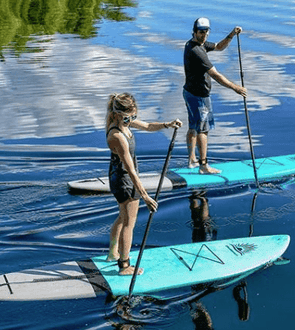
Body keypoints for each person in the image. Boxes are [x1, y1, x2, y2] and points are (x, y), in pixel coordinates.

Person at [105, 92, 182, 275]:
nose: (131, 119)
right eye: (128, 117)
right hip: (124, 180)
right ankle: (124, 266)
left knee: (122, 217)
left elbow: (147, 126)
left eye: (134, 116)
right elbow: (131, 170)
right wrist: (145, 196)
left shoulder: (122, 123)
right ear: (117, 114)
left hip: (118, 177)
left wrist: (167, 125)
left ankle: (112, 253)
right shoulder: (117, 136)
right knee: (129, 223)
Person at [183, 17, 247, 174]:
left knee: (193, 127)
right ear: (194, 32)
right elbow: (215, 75)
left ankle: (192, 160)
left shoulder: (197, 44)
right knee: (203, 131)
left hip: (189, 92)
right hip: (199, 96)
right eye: (200, 32)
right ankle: (204, 166)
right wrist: (235, 88)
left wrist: (231, 35)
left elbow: (219, 47)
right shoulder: (197, 51)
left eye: (206, 32)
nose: (204, 35)